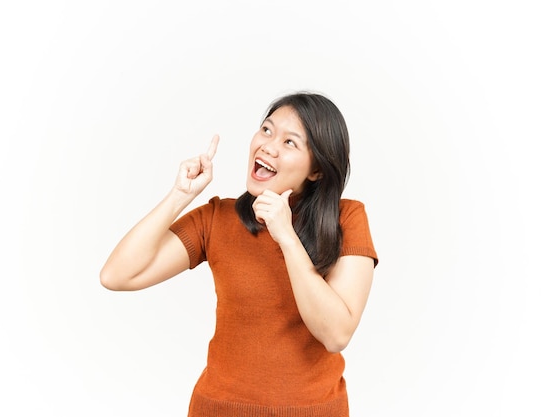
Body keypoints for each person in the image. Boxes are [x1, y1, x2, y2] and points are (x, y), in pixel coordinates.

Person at [100, 91, 378, 416]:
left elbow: (336, 334)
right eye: (267, 130)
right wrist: (179, 196)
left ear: (316, 169)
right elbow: (117, 275)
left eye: (290, 142)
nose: (268, 146)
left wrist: (286, 236)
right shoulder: (218, 219)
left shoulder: (346, 219)